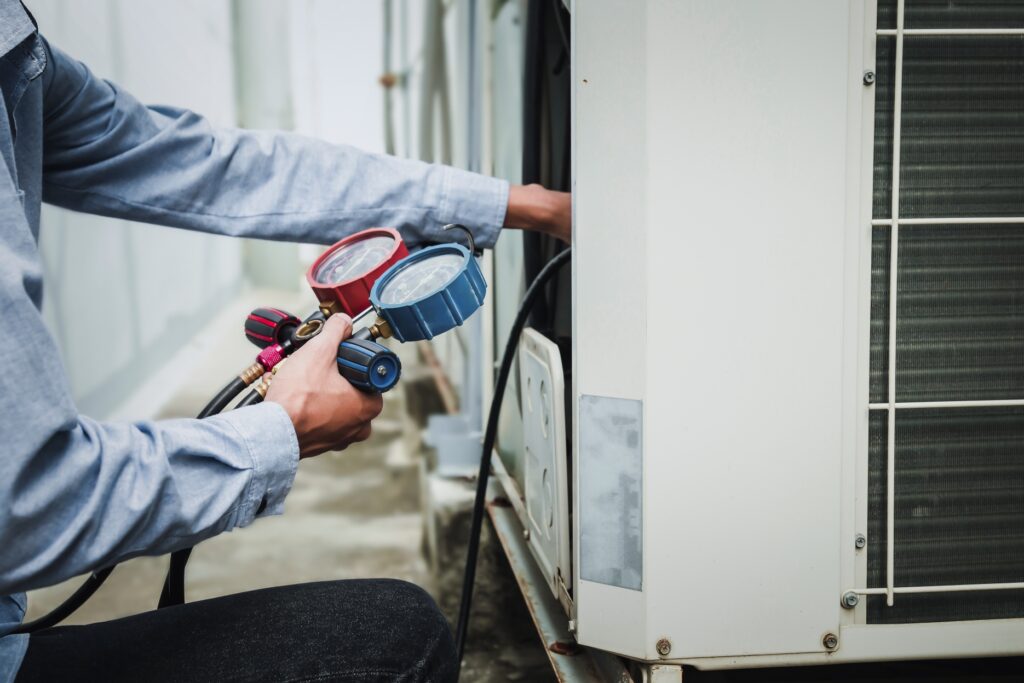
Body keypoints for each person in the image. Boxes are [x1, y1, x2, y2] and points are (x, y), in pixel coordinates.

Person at [0, 2, 570, 682]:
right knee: (399, 635)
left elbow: (218, 166)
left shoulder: (15, 51)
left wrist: (514, 202)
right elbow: (32, 501)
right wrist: (279, 430)